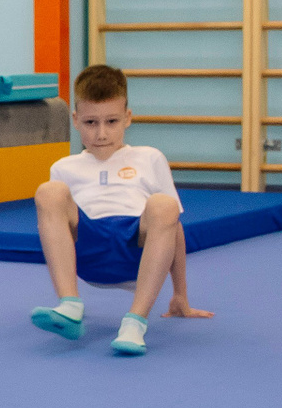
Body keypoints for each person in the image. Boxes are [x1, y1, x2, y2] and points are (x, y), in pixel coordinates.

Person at [30, 64, 212, 355]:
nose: (101, 133)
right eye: (91, 123)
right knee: (48, 191)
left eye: (112, 121)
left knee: (165, 205)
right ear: (75, 120)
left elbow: (173, 227)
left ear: (127, 118)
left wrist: (181, 295)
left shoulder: (149, 158)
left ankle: (135, 323)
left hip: (136, 252)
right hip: (88, 253)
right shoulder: (64, 167)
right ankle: (70, 304)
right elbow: (56, 227)